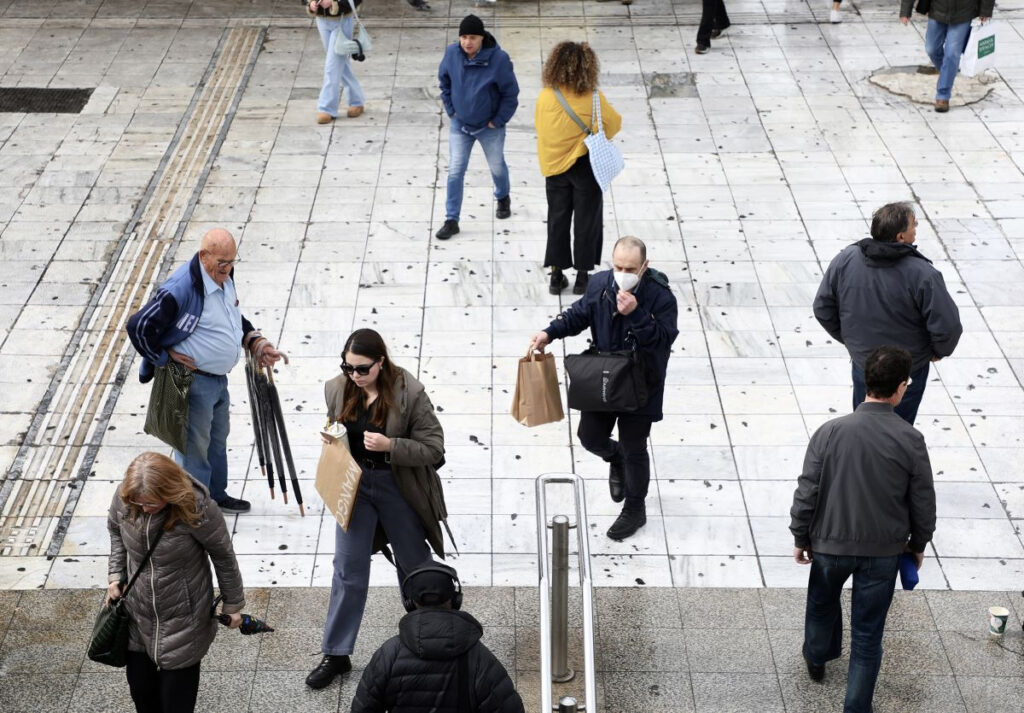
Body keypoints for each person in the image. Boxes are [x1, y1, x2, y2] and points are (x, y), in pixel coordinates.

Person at [790, 346, 936, 713]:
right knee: (868, 636)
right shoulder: (910, 439)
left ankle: (818, 656)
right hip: (883, 552)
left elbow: (808, 488)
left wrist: (800, 535)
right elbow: (922, 500)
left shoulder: (830, 432)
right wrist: (918, 543)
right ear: (902, 387)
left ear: (865, 380)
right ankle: (856, 707)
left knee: (822, 604)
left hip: (829, 544)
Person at [307, 328, 451, 689]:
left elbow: (434, 448)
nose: (353, 375)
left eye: (362, 368)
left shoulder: (410, 393)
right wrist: (332, 436)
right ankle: (336, 653)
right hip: (354, 487)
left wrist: (391, 445)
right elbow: (334, 425)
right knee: (347, 569)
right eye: (347, 367)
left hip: (396, 486)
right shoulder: (337, 388)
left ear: (381, 362)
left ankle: (429, 636)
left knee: (415, 565)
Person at [126, 228, 287, 514]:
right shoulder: (181, 289)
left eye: (232, 262)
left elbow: (231, 317)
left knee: (217, 438)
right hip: (192, 382)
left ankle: (215, 495)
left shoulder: (224, 278)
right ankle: (195, 506)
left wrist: (254, 340)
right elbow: (138, 326)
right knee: (193, 446)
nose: (228, 268)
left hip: (217, 380)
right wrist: (164, 357)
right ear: (204, 256)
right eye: (222, 262)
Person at [529, 237, 678, 540]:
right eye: (618, 266)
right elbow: (579, 314)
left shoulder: (661, 297)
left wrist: (636, 313)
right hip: (606, 377)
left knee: (635, 445)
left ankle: (635, 508)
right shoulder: (600, 285)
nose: (623, 273)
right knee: (589, 436)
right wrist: (549, 332)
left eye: (631, 268)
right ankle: (615, 457)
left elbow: (662, 342)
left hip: (641, 383)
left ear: (644, 267)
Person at [107, 452, 246, 713]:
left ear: (169, 493)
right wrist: (115, 575)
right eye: (138, 503)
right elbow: (115, 530)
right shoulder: (126, 498)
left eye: (151, 504)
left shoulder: (197, 508)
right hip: (137, 612)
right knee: (142, 695)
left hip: (184, 617)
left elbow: (223, 556)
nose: (144, 509)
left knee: (176, 705)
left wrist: (233, 603)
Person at [812, 202, 962, 426]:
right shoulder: (923, 274)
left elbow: (823, 308)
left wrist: (852, 341)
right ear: (901, 237)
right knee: (898, 432)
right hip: (906, 372)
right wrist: (937, 351)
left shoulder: (846, 259)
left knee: (864, 427)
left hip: (864, 364)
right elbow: (948, 326)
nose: (917, 225)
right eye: (913, 224)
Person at [350, 564, 525, 713]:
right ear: (456, 600)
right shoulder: (479, 657)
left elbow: (363, 708)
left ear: (409, 603)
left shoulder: (389, 653)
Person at [534, 42, 621, 296]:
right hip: (585, 166)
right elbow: (614, 124)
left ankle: (556, 275)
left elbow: (541, 128)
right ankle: (583, 277)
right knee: (587, 221)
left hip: (554, 166)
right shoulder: (593, 97)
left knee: (557, 219)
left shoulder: (546, 96)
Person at [435, 14, 520, 240]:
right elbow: (444, 82)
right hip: (460, 124)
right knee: (455, 171)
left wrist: (497, 120)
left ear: (482, 38)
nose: (467, 42)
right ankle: (451, 219)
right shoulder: (452, 54)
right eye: (463, 37)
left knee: (497, 167)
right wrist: (451, 110)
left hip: (489, 126)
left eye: (472, 37)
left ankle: (503, 196)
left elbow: (511, 94)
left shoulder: (499, 59)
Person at [899, 0, 993, 112]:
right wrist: (905, 11)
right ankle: (948, 72)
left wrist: (985, 10)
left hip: (963, 13)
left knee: (952, 54)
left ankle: (943, 95)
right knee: (931, 49)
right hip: (937, 10)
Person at [307, 0, 366, 124]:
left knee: (332, 66)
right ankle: (356, 100)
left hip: (342, 20)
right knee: (340, 64)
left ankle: (326, 108)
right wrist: (311, 3)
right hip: (322, 20)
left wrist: (335, 4)